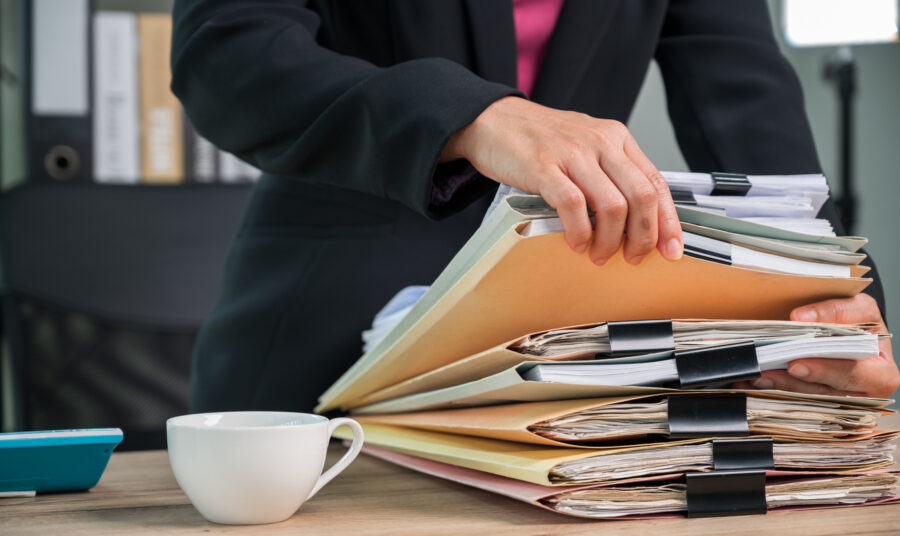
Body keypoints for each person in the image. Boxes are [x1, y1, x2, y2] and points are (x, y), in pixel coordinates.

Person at [171, 0, 899, 414]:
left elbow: (752, 118)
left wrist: (842, 311)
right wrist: (473, 117)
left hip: (563, 375)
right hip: (321, 360)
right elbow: (226, 51)